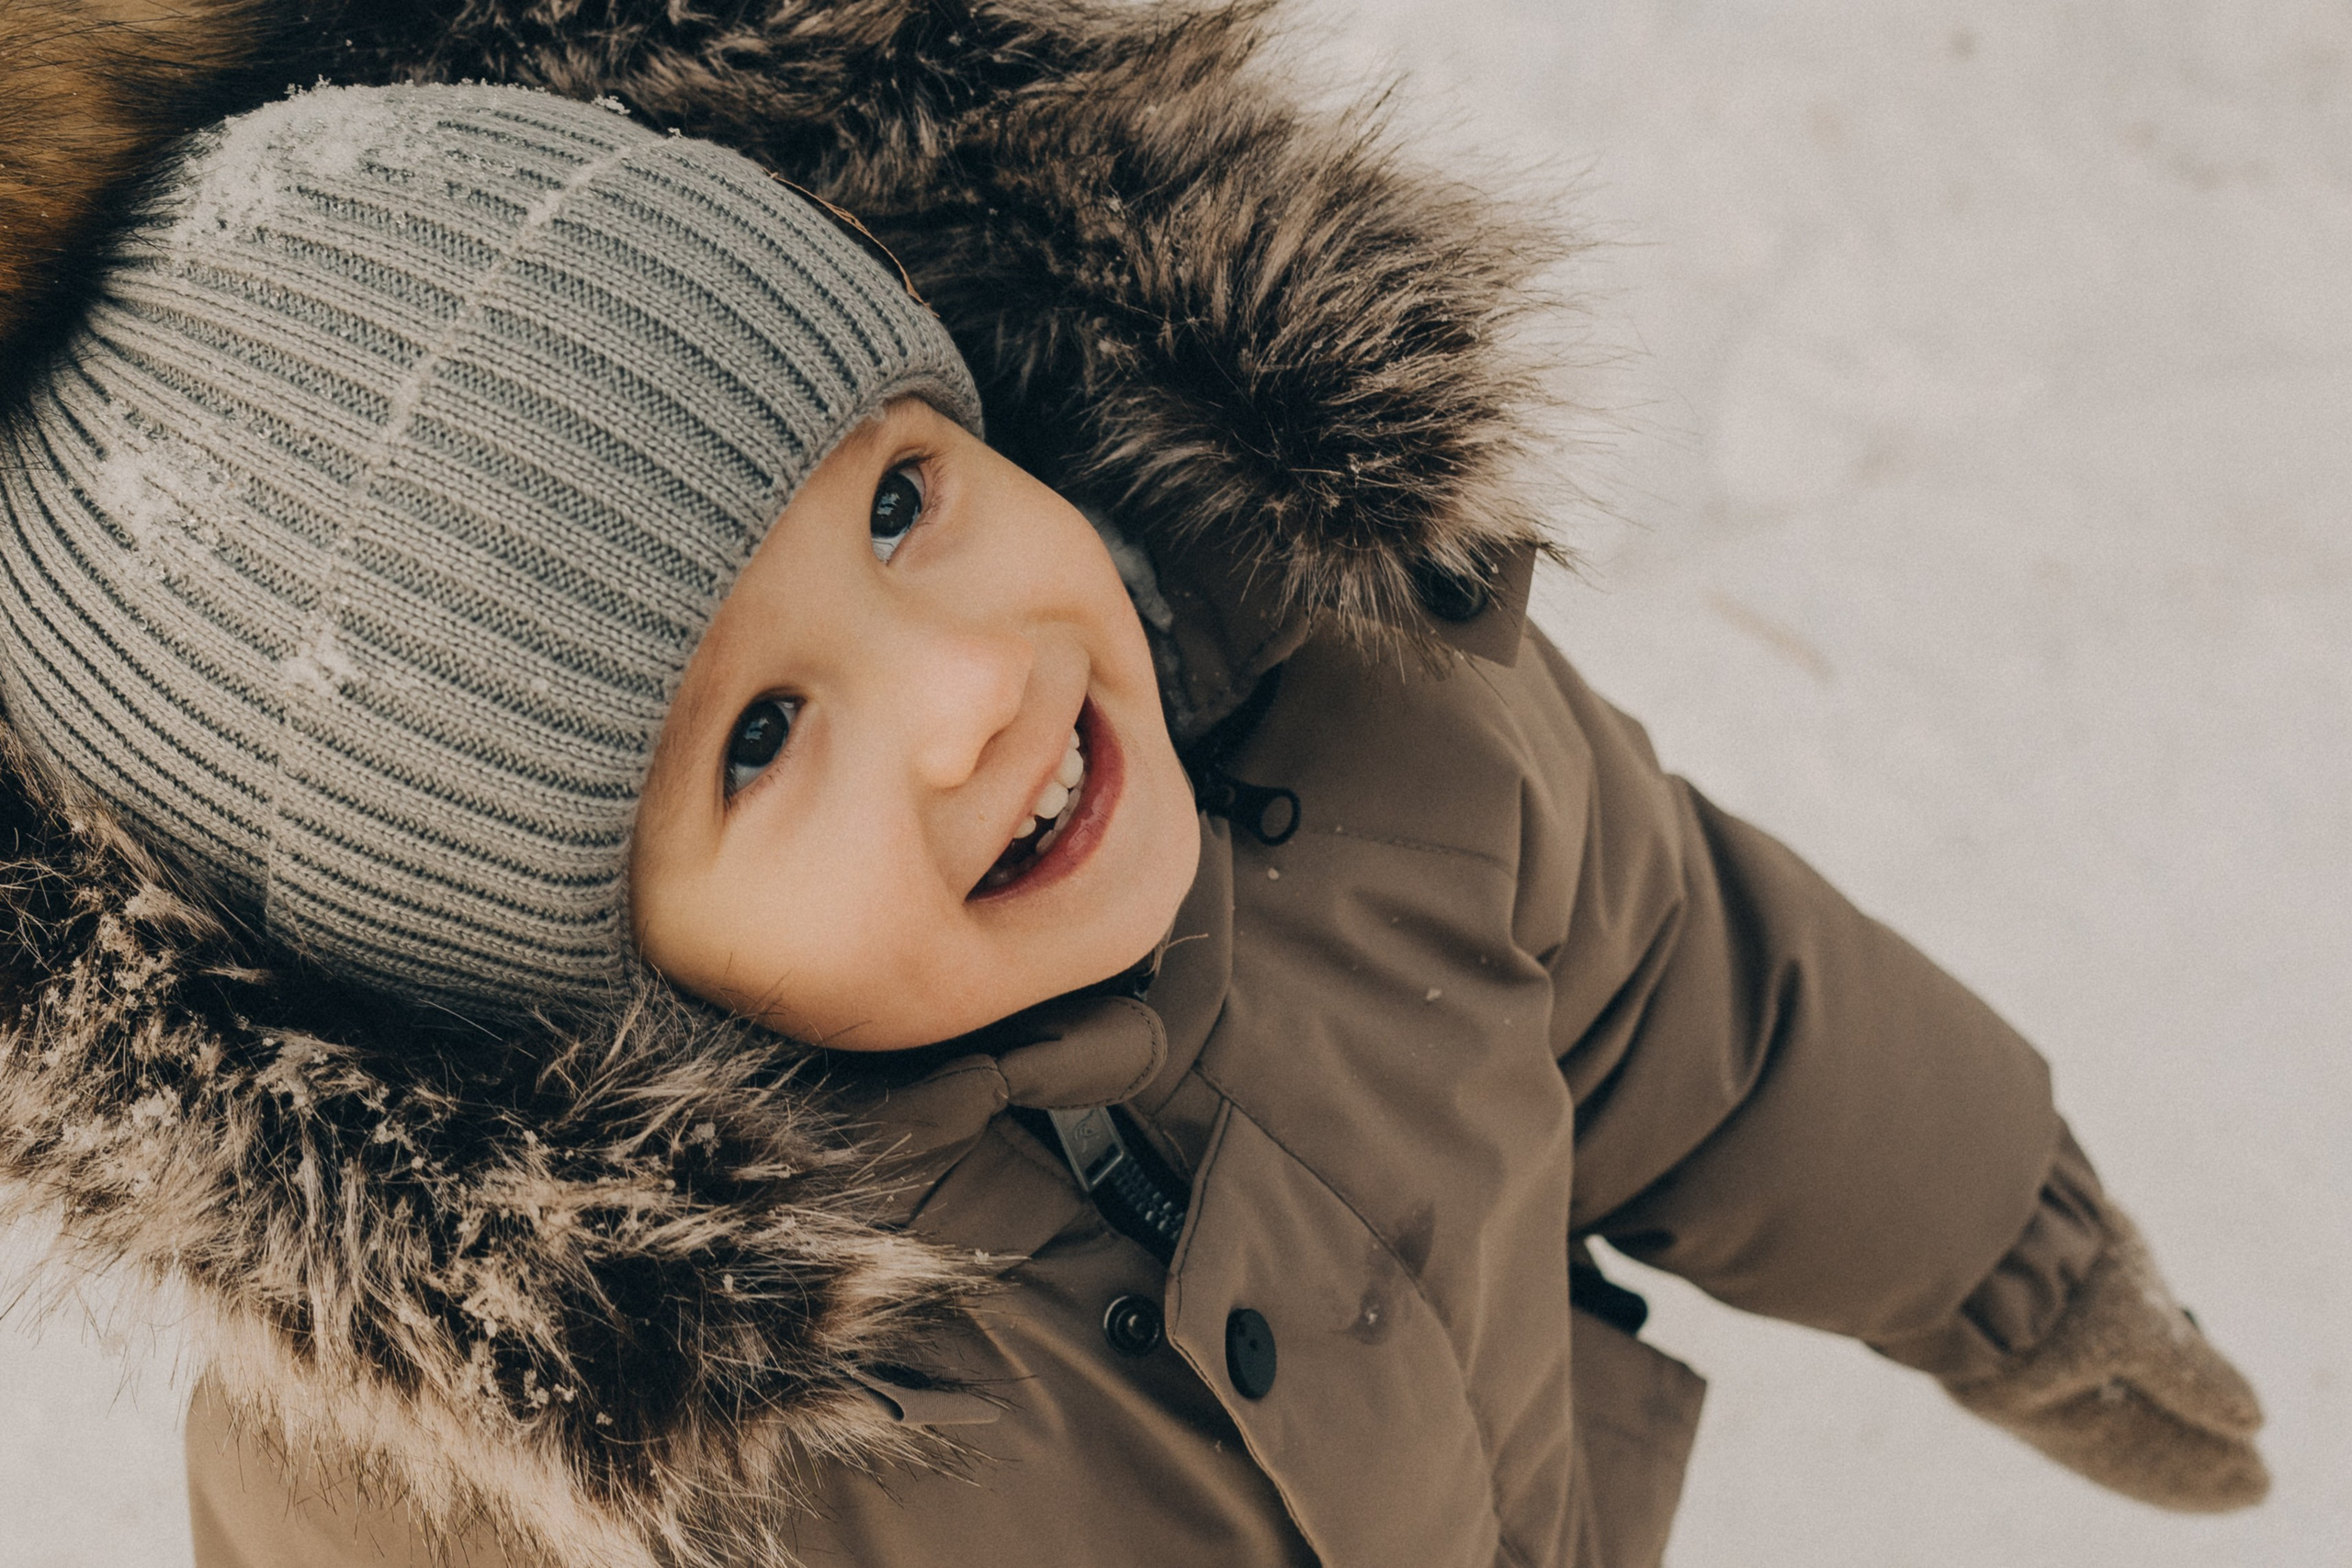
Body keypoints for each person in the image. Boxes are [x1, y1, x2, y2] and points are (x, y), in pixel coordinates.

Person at [0, 6, 2267, 1567]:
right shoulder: (527, 1471)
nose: (974, 682)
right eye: (760, 735)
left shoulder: (1367, 726)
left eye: (899, 499)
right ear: (537, 991)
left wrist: (2012, 1257)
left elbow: (1692, 983)